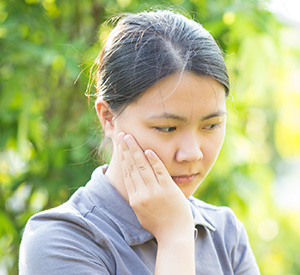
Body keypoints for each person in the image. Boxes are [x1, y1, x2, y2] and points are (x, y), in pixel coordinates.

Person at [19, 9, 260, 275]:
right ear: (108, 118)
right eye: (167, 127)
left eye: (211, 125)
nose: (192, 153)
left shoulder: (225, 235)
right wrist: (174, 237)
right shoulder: (59, 241)